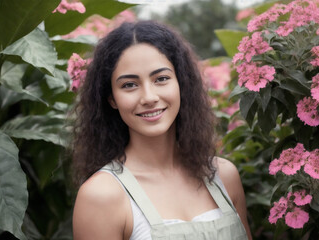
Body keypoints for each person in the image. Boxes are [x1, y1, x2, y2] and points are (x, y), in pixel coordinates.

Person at [72, 20, 252, 240]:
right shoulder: (102, 195)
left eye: (162, 79)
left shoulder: (224, 176)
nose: (149, 97)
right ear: (111, 99)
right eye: (129, 84)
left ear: (181, 84)